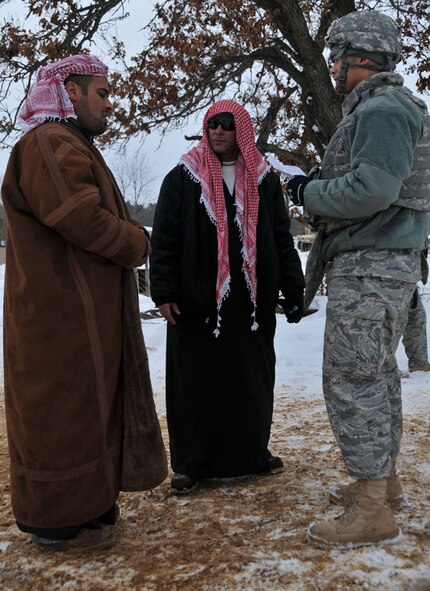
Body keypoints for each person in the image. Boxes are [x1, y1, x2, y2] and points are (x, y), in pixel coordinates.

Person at [1, 54, 166, 551]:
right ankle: (58, 521)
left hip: (78, 318)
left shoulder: (67, 143)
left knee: (88, 411)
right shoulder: (50, 143)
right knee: (62, 414)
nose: (110, 104)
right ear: (69, 92)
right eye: (102, 93)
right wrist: (138, 242)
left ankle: (89, 510)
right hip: (58, 321)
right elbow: (81, 218)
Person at [287, 11, 430, 548]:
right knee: (376, 376)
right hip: (380, 264)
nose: (331, 64)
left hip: (370, 266)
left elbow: (372, 189)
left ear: (359, 55)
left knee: (353, 379)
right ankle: (381, 486)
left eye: (336, 54)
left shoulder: (385, 109)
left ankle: (373, 508)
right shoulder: (385, 108)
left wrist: (307, 194)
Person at [150, 99, 305, 494]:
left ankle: (251, 453)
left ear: (242, 132)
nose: (217, 131)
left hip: (250, 303)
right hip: (196, 301)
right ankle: (190, 465)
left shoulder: (264, 179)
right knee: (194, 382)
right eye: (211, 125)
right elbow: (165, 239)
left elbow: (280, 239)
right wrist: (164, 289)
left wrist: (293, 287)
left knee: (250, 379)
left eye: (225, 125)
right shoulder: (183, 176)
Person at [401, 245, 430, 373]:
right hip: (381, 271)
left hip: (405, 272)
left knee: (416, 317)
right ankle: (380, 368)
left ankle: (419, 363)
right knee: (387, 321)